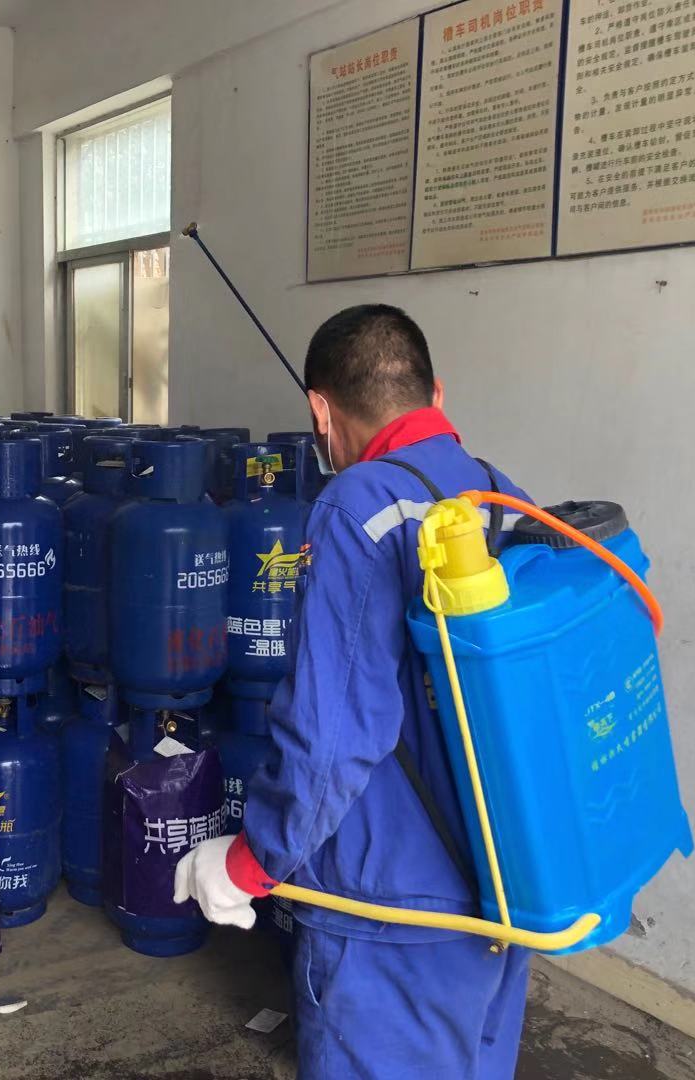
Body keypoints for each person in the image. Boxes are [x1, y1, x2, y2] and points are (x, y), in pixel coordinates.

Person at [174, 304, 532, 1079]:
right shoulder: (501, 495)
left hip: (388, 911)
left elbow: (333, 733)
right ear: (437, 392)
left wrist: (252, 861)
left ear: (320, 411)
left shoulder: (357, 506)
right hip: (501, 894)